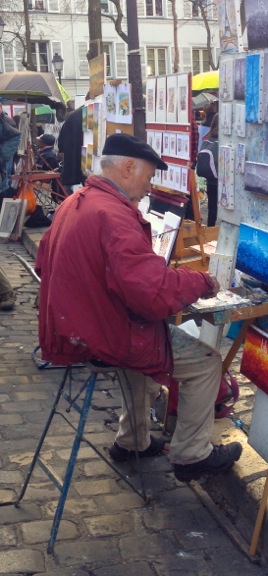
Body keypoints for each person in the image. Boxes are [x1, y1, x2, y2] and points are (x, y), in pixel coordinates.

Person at [35, 133, 242, 482]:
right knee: (207, 363)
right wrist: (201, 282)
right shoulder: (112, 214)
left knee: (144, 357)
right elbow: (151, 294)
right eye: (148, 177)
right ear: (128, 167)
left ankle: (132, 440)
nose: (149, 187)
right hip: (101, 333)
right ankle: (192, 455)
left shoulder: (77, 201)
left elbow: (43, 262)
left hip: (78, 327)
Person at [200, 113, 219, 227]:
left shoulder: (208, 138)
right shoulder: (222, 139)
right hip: (219, 178)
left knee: (212, 205)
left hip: (210, 177)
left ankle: (210, 227)